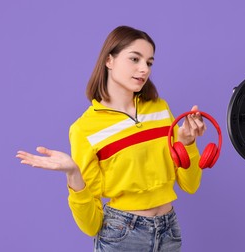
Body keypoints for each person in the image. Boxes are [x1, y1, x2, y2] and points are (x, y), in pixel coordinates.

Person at [16, 25, 207, 252]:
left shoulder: (160, 109)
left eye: (149, 62)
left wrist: (187, 143)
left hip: (169, 230)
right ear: (109, 60)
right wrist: (73, 174)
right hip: (122, 235)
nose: (144, 69)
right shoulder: (84, 128)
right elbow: (91, 225)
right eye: (134, 59)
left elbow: (190, 185)